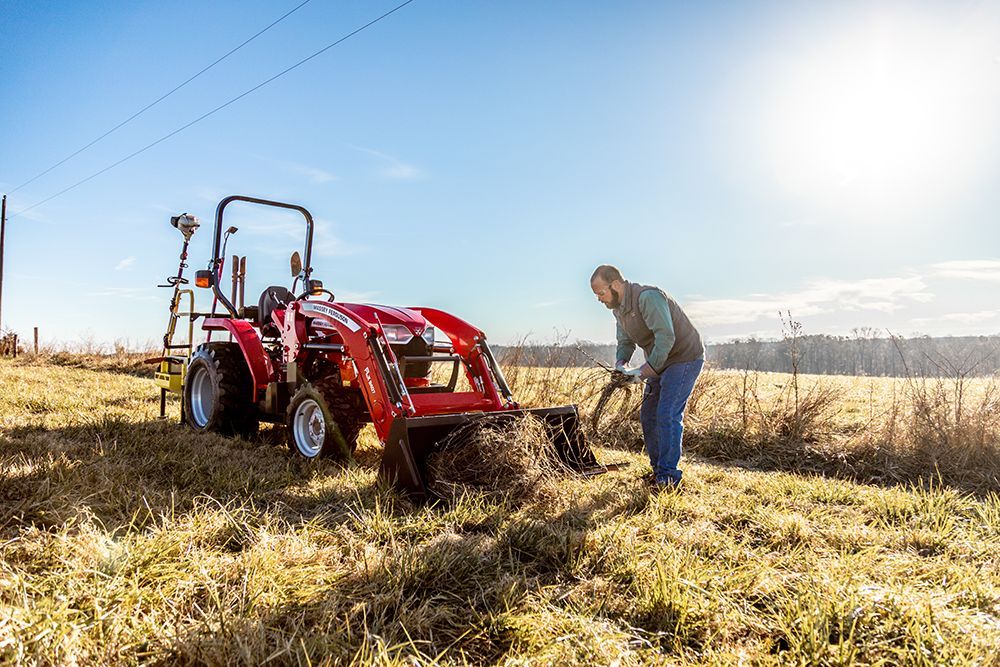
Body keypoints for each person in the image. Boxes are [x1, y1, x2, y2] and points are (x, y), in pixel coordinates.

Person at [590, 265, 705, 490]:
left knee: (667, 413)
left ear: (615, 285)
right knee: (648, 416)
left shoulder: (648, 298)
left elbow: (666, 338)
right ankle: (657, 471)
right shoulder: (619, 310)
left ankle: (669, 478)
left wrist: (643, 372)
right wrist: (621, 366)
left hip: (684, 357)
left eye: (601, 293)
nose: (600, 299)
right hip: (660, 361)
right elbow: (625, 343)